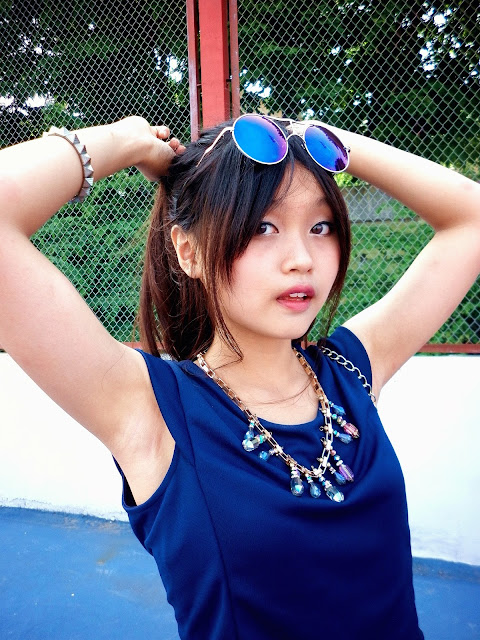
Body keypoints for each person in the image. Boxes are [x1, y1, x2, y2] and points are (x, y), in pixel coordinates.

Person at [0, 111, 479, 640]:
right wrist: (126, 141)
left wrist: (325, 140)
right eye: (262, 227)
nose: (302, 259)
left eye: (320, 226)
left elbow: (472, 217)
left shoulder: (351, 371)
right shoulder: (154, 411)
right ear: (189, 251)